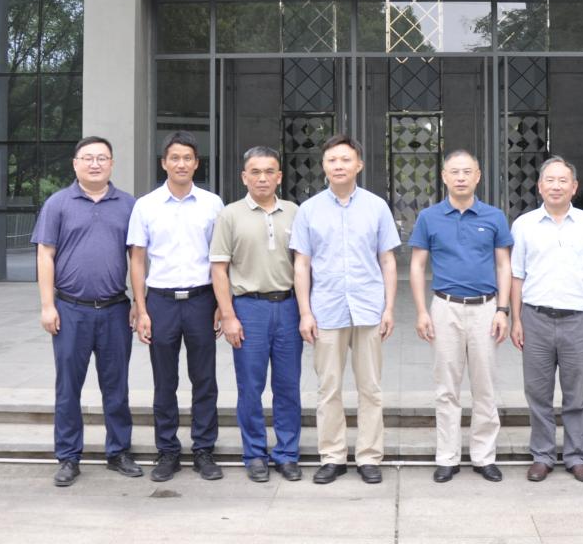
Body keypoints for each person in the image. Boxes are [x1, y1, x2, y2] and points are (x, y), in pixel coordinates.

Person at [290, 134, 400, 485]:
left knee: (371, 388)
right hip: (326, 310)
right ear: (324, 166)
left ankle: (369, 456)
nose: (338, 166)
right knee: (329, 389)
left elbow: (387, 260)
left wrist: (389, 308)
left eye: (345, 159)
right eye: (332, 160)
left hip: (368, 309)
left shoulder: (376, 207)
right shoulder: (309, 210)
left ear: (359, 165)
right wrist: (305, 312)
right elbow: (301, 265)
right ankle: (332, 456)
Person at [33, 136, 140, 488]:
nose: (95, 164)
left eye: (102, 158)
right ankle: (68, 456)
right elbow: (45, 255)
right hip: (70, 310)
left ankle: (119, 451)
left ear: (112, 163)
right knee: (68, 387)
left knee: (117, 386)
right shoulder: (58, 204)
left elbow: (137, 258)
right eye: (88, 158)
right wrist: (47, 305)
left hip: (114, 310)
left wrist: (139, 304)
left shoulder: (128, 205)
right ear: (75, 163)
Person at [408, 149, 513, 484]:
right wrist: (421, 311)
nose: (461, 177)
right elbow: (417, 266)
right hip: (445, 307)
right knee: (446, 387)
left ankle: (484, 457)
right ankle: (447, 457)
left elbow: (504, 265)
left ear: (478, 176)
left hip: (486, 308)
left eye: (468, 171)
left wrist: (503, 310)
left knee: (485, 386)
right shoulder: (429, 217)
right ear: (444, 176)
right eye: (454, 171)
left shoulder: (494, 216)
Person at [128, 131, 226, 483]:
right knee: (164, 381)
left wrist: (222, 305)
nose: (181, 163)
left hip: (202, 299)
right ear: (164, 163)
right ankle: (167, 450)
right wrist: (141, 308)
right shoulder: (146, 205)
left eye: (187, 158)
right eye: (174, 158)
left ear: (196, 163)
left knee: (205, 379)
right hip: (161, 302)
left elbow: (221, 258)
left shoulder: (213, 204)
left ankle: (204, 449)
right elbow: (137, 259)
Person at [510, 157, 583, 483]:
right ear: (540, 186)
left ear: (574, 186)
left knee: (576, 395)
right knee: (537, 393)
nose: (556, 186)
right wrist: (516, 319)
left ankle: (577, 456)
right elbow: (516, 276)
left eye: (562, 180)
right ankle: (542, 456)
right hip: (536, 318)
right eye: (550, 180)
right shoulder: (523, 225)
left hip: (577, 318)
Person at [211, 145, 304, 483]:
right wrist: (228, 315)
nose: (262, 178)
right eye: (255, 172)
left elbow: (304, 265)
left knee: (288, 385)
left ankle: (287, 454)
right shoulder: (230, 215)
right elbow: (219, 269)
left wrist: (306, 311)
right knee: (250, 387)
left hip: (289, 307)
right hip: (248, 308)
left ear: (279, 176)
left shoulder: (295, 212)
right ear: (244, 177)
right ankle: (254, 454)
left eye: (269, 172)